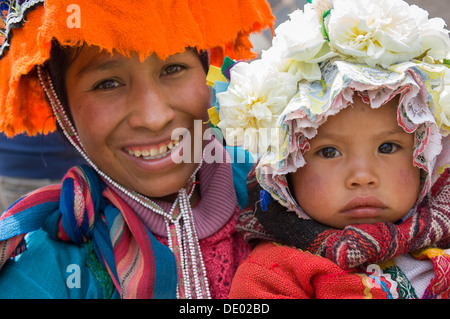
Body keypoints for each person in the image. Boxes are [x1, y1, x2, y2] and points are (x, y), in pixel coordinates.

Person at [0, 0, 274, 299]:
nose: (154, 118)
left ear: (206, 69)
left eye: (173, 68)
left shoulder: (282, 192)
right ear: (61, 107)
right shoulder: (41, 274)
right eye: (108, 84)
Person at [212, 0, 450, 298]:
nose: (362, 177)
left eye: (388, 147)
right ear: (284, 173)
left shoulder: (443, 235)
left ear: (425, 157)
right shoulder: (274, 275)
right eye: (328, 152)